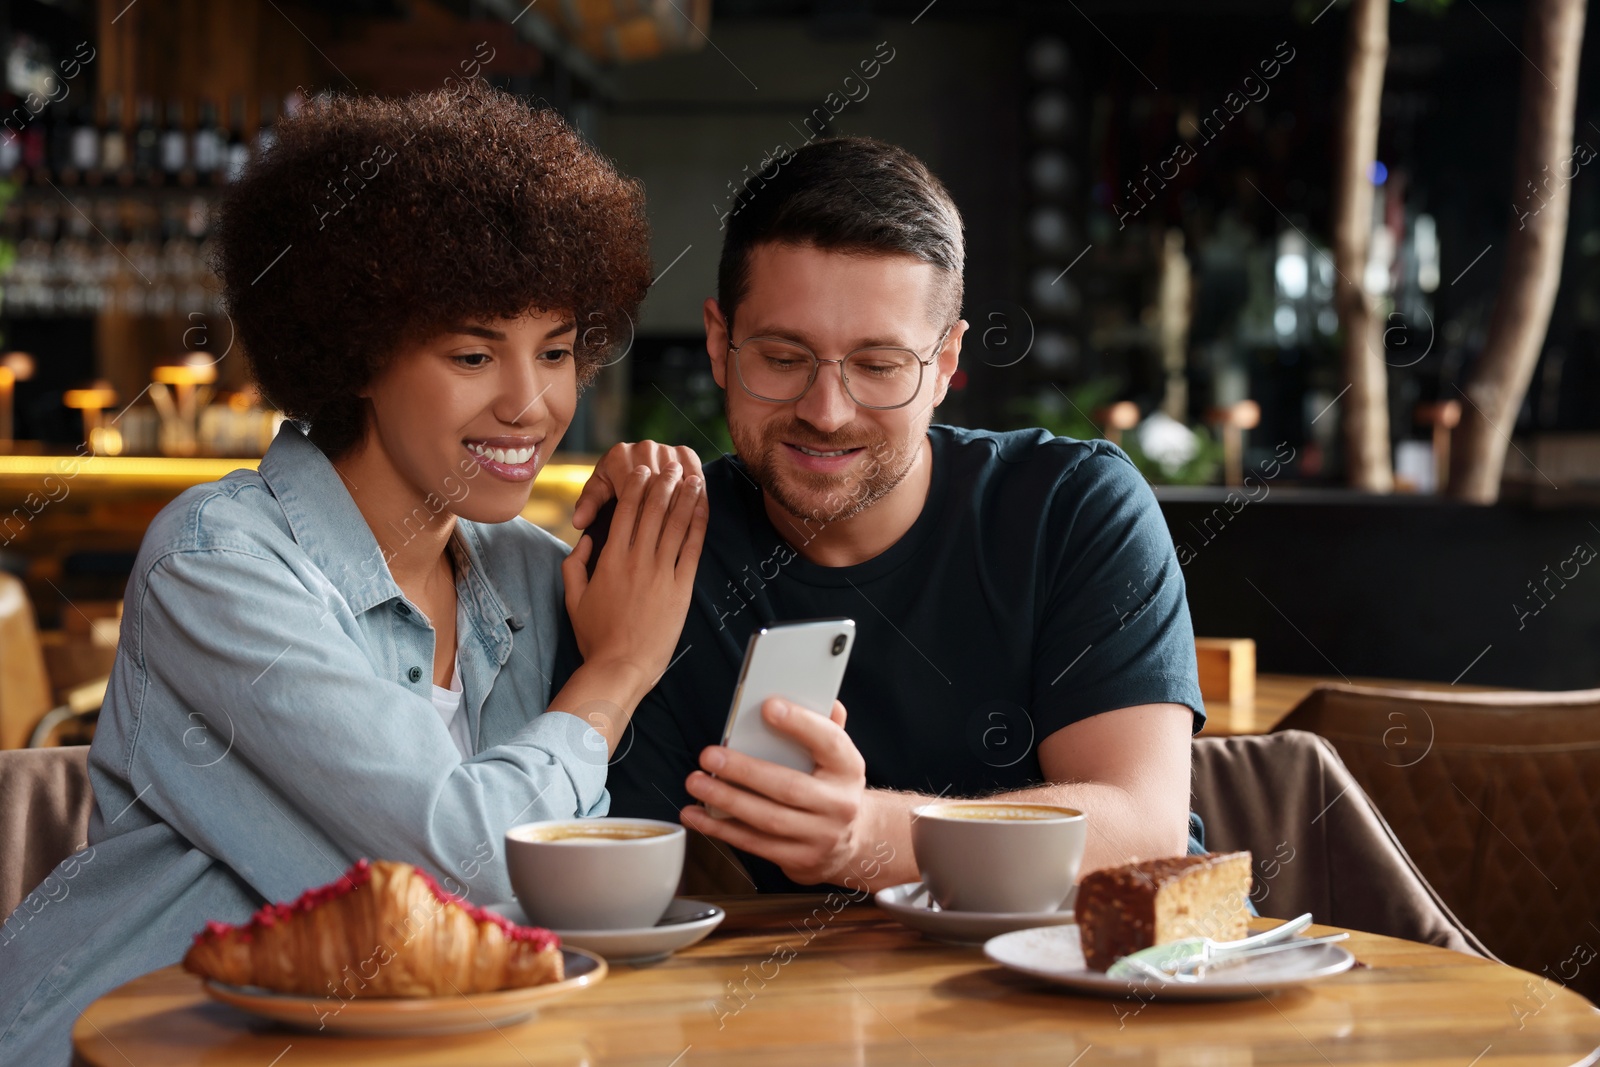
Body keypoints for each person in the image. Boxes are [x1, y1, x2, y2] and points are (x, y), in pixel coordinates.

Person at [0, 87, 705, 1065]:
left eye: (555, 351)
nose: (531, 403)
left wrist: (666, 506)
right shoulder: (219, 562)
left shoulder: (539, 577)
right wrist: (614, 677)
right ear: (356, 350)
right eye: (473, 352)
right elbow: (461, 865)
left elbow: (586, 889)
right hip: (123, 1041)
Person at [567, 137, 1204, 895]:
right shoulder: (655, 550)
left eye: (878, 365)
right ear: (718, 343)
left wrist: (869, 837)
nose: (826, 411)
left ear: (943, 365)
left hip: (1086, 997)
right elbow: (618, 888)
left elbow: (1141, 827)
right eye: (781, 356)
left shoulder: (1071, 508)